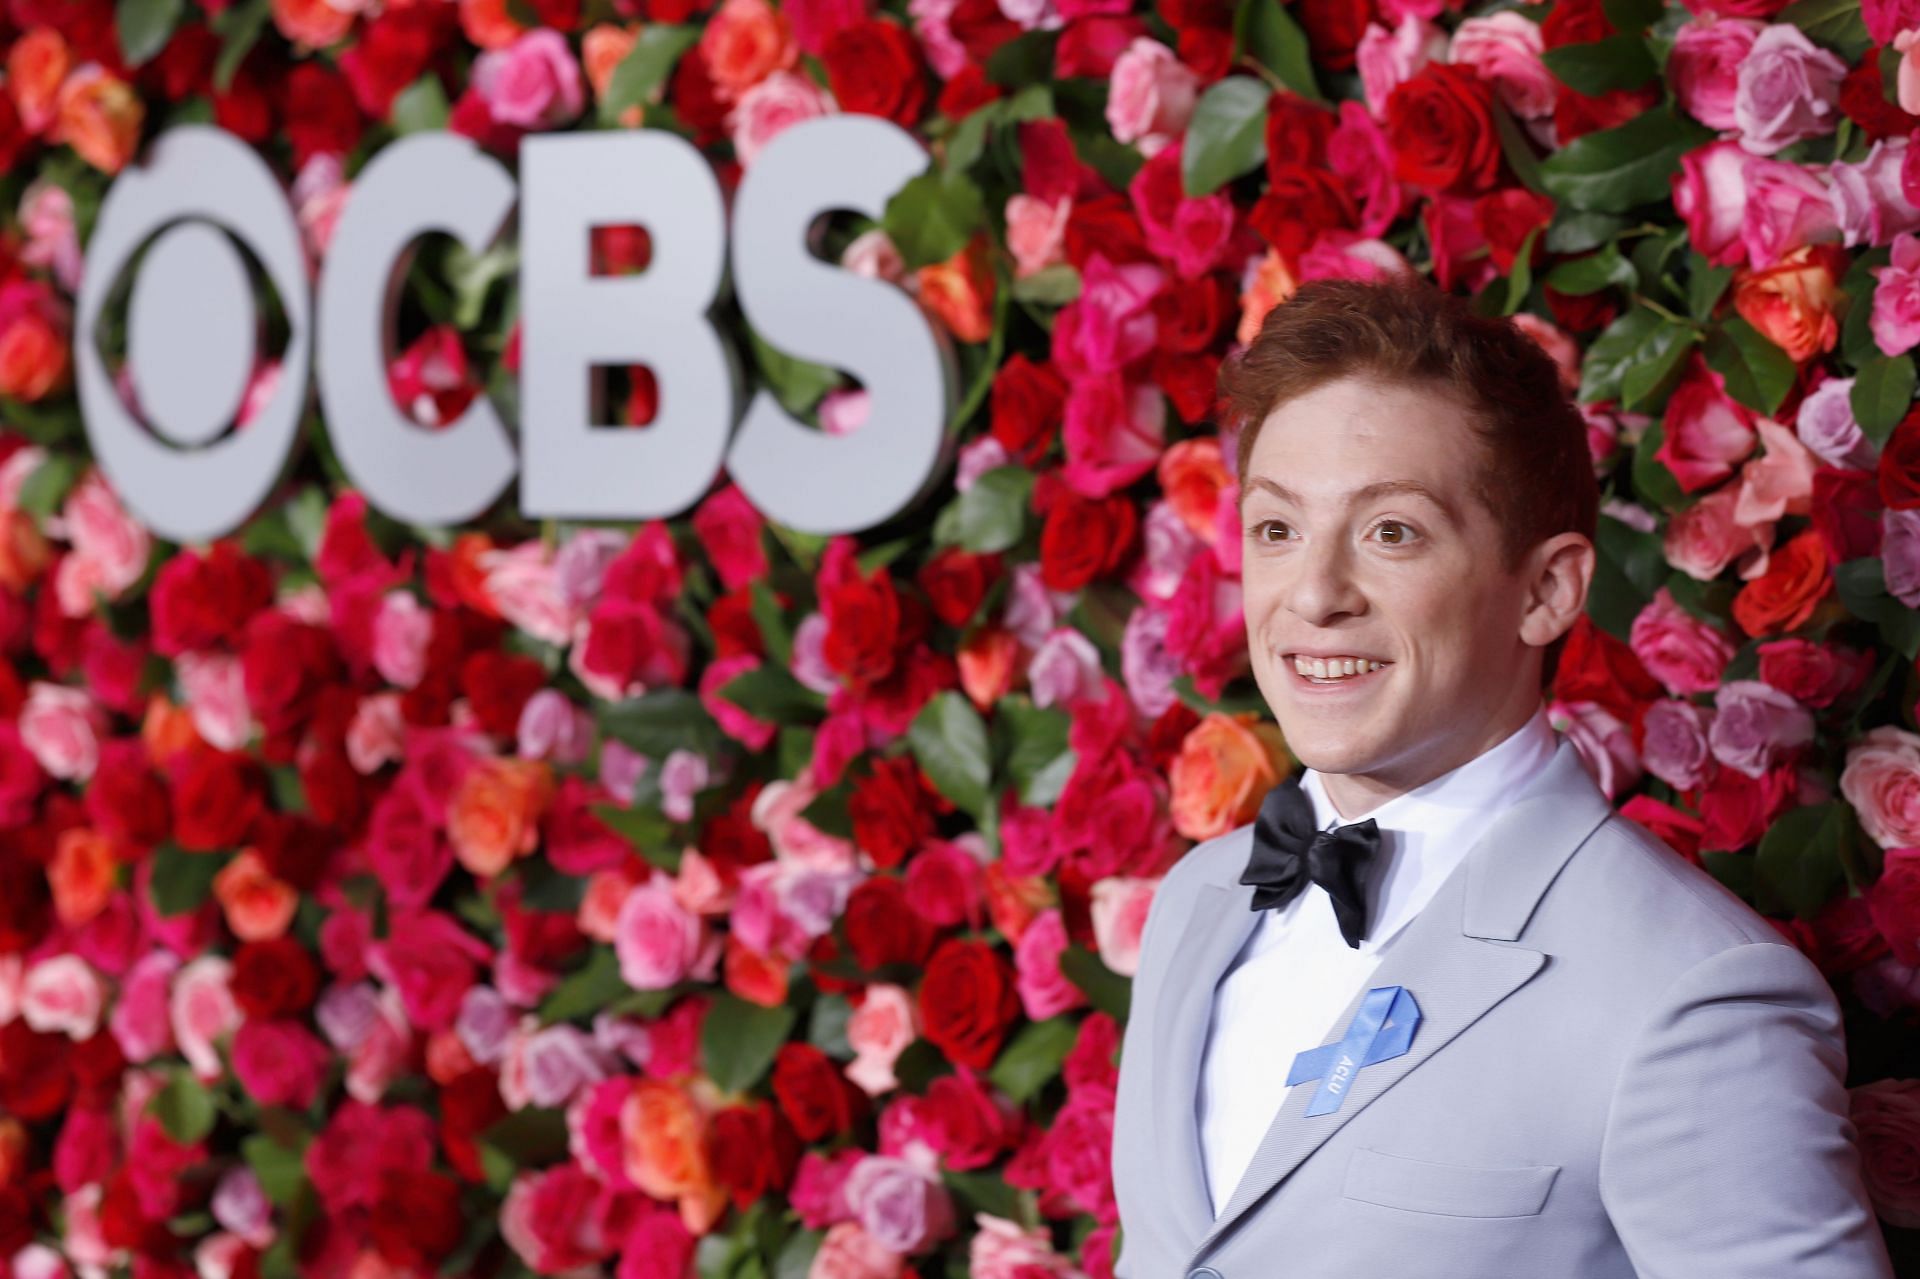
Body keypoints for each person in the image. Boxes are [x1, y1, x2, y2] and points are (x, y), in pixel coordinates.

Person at [1109, 278, 1893, 1279]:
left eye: (1392, 531)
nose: (1312, 593)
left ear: (1547, 589)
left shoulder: (1695, 992)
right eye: (1277, 529)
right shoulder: (1196, 900)